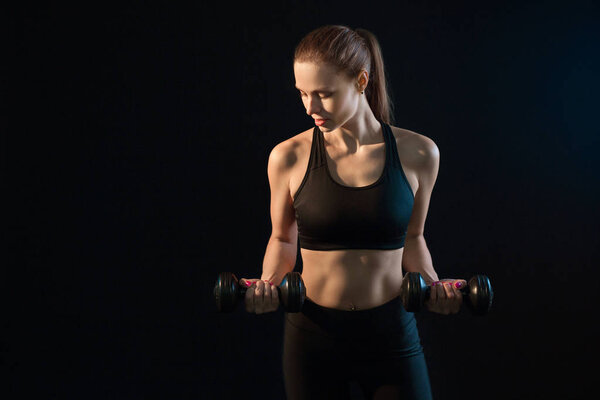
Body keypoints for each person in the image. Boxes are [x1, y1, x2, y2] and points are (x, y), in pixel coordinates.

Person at [240, 25, 466, 400]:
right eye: (302, 94)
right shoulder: (288, 157)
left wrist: (434, 285)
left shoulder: (420, 154)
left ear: (361, 81)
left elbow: (413, 237)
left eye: (324, 94)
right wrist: (268, 283)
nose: (311, 107)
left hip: (391, 333)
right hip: (313, 337)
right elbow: (282, 238)